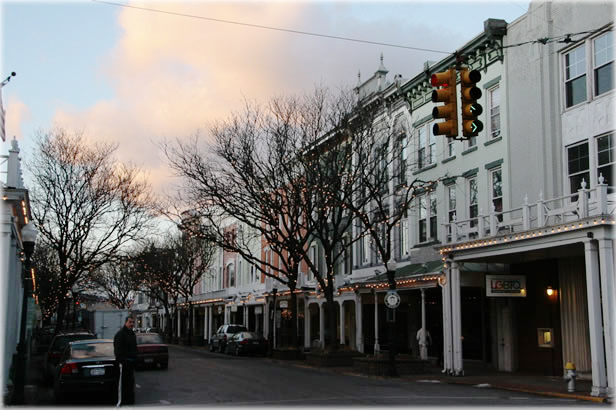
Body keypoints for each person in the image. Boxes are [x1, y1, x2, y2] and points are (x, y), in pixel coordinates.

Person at [114, 316, 137, 405]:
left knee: (130, 385)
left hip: (131, 364)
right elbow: (117, 350)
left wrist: (135, 360)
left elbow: (134, 348)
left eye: (133, 322)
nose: (132, 324)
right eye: (130, 322)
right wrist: (122, 362)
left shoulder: (132, 334)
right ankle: (122, 402)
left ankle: (130, 401)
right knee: (123, 385)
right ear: (125, 322)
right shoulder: (120, 334)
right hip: (123, 365)